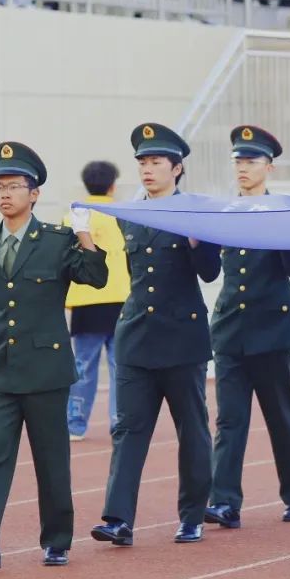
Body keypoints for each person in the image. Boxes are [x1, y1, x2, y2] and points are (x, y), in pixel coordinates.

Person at [0, 141, 108, 570]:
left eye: (14, 186)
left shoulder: (57, 241)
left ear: (34, 193)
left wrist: (84, 233)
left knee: (51, 459)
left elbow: (96, 277)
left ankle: (56, 541)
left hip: (45, 370)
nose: (5, 194)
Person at [91, 123, 221, 546]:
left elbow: (210, 273)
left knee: (192, 431)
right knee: (128, 430)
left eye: (155, 162)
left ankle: (192, 516)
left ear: (176, 168)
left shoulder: (194, 213)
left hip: (182, 338)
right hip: (136, 337)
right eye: (142, 163)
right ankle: (118, 519)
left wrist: (198, 241)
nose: (147, 170)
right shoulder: (131, 215)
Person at [205, 126, 290, 530]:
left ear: (270, 167)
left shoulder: (283, 210)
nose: (243, 168)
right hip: (231, 328)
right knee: (229, 420)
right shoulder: (225, 212)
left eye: (251, 161)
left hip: (272, 328)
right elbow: (211, 270)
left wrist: (280, 227)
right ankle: (224, 501)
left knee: (280, 417)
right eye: (239, 162)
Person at [64, 161, 129, 441]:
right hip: (120, 300)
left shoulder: (73, 216)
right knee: (119, 367)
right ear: (113, 186)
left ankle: (75, 424)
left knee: (83, 366)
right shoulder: (122, 215)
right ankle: (119, 423)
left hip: (86, 301)